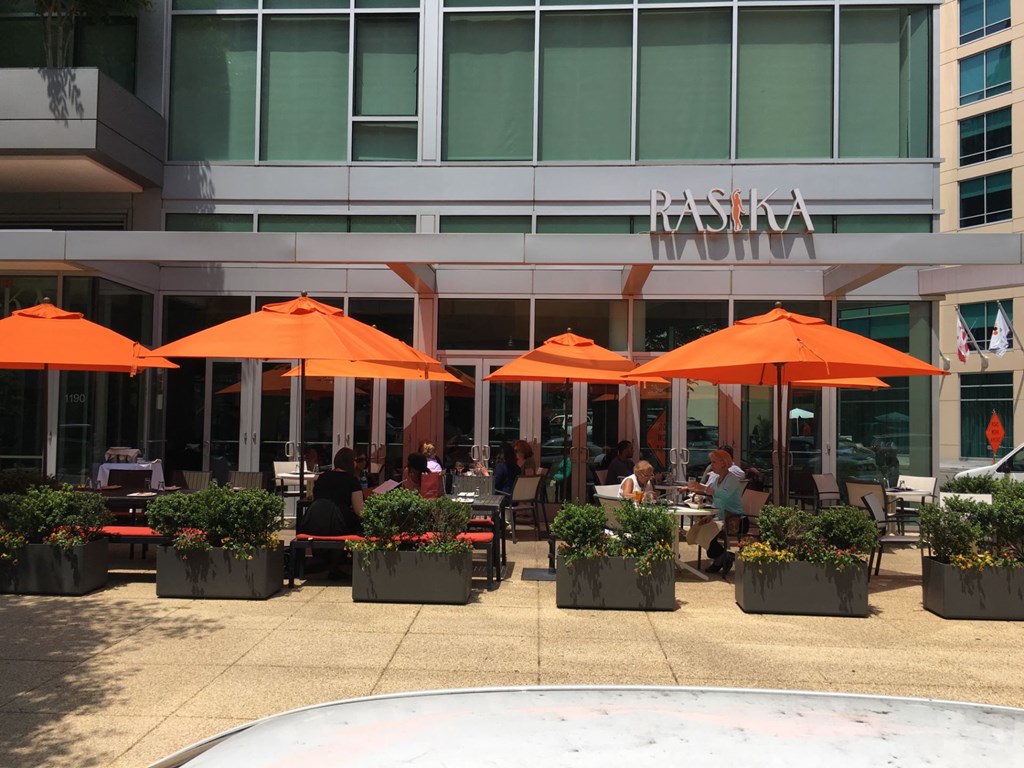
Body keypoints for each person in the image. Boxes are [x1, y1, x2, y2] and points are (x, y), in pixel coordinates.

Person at [687, 449, 746, 578]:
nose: (711, 465)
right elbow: (715, 499)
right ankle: (723, 556)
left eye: (714, 462)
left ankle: (722, 557)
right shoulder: (717, 479)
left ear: (723, 463)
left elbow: (723, 496)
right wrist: (710, 515)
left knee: (706, 531)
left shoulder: (732, 480)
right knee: (698, 528)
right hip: (721, 516)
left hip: (735, 519)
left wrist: (703, 488)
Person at [311, 448, 364, 534]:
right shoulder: (352, 480)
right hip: (340, 525)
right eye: (355, 460)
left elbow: (315, 499)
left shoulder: (322, 477)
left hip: (317, 523)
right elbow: (359, 510)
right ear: (350, 462)